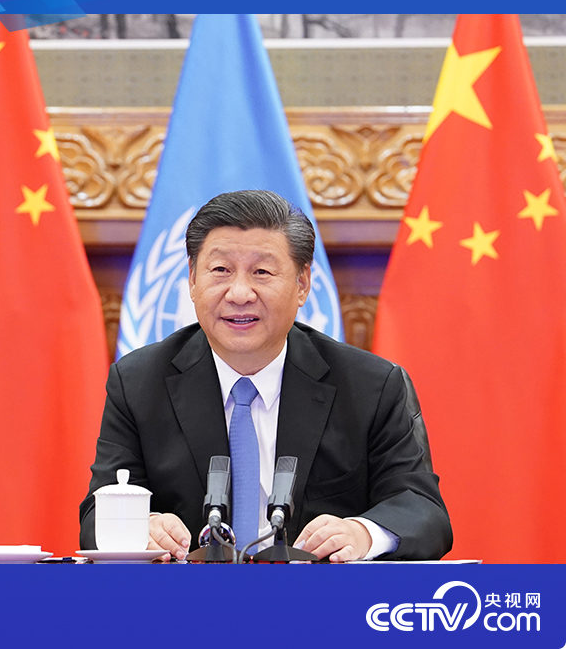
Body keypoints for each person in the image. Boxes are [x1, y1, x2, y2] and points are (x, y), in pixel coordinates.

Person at [80, 190, 452, 561]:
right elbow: (96, 515)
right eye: (220, 270)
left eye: (262, 272)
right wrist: (138, 527)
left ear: (302, 284)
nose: (240, 293)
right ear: (192, 279)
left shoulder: (370, 386)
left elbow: (423, 511)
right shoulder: (139, 382)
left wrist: (362, 533)